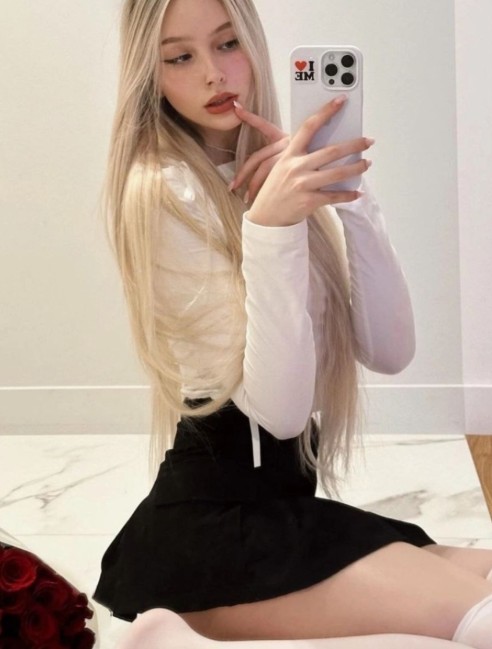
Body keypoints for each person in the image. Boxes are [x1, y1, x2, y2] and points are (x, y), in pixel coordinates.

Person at [93, 0, 492, 647]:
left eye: (228, 44)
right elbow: (278, 413)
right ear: (151, 76)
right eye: (180, 57)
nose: (213, 73)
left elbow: (389, 351)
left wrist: (351, 196)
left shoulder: (273, 171)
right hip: (212, 535)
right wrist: (271, 230)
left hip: (284, 509)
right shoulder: (164, 190)